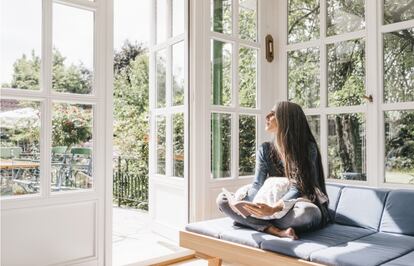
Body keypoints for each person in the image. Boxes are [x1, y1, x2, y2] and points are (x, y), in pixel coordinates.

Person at [216, 101, 330, 240]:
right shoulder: (265, 149)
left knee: (308, 213)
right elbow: (257, 185)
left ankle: (252, 223)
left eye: (273, 113)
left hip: (292, 205)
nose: (267, 116)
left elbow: (298, 187)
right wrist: (247, 206)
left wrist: (273, 209)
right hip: (269, 208)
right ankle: (274, 230)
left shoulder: (307, 148)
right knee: (223, 200)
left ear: (287, 119)